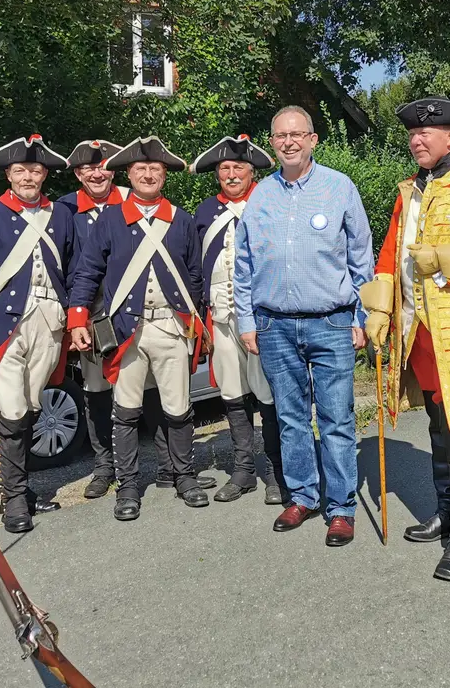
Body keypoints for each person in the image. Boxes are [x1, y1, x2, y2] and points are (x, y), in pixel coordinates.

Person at [360, 97, 450, 580]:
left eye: (426, 133)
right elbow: (389, 253)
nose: (416, 140)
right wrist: (379, 308)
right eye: (412, 134)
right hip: (418, 329)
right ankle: (446, 511)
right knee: (439, 424)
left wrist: (444, 259)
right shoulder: (410, 191)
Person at [233, 106, 373, 547]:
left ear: (313, 139)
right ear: (271, 142)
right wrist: (246, 319)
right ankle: (303, 495)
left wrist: (362, 316)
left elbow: (361, 259)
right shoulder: (260, 196)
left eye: (297, 134)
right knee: (291, 418)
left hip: (331, 322)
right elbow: (243, 262)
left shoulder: (339, 188)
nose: (289, 142)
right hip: (274, 326)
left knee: (336, 418)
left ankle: (341, 507)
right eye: (280, 136)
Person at [67, 137, 209, 521]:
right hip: (127, 329)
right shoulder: (111, 219)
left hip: (171, 326)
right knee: (126, 411)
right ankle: (128, 486)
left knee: (178, 409)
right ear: (128, 174)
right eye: (141, 169)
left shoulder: (181, 219)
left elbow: (195, 276)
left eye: (156, 170)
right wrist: (78, 317)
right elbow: (88, 271)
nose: (148, 174)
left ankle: (183, 476)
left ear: (164, 176)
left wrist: (195, 322)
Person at [0, 135, 74, 532]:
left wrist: (74, 321)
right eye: (20, 170)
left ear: (44, 174)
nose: (28, 176)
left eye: (35, 170)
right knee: (11, 409)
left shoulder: (60, 215)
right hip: (3, 326)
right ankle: (14, 501)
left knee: (31, 406)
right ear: (8, 174)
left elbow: (73, 272)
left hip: (49, 323)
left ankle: (24, 490)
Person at [192, 135, 284, 504]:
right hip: (221, 315)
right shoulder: (204, 212)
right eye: (224, 169)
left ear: (251, 172)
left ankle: (277, 471)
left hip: (261, 315)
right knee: (232, 393)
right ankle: (244, 469)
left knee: (267, 393)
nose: (231, 175)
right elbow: (193, 267)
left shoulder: (268, 205)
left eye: (238, 168)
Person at [56, 140, 128, 500]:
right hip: (92, 314)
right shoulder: (65, 209)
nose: (96, 173)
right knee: (96, 389)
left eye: (102, 166)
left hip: (133, 311)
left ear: (113, 169)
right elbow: (63, 266)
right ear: (77, 173)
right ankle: (104, 467)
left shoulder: (133, 199)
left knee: (145, 388)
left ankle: (166, 465)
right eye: (87, 168)